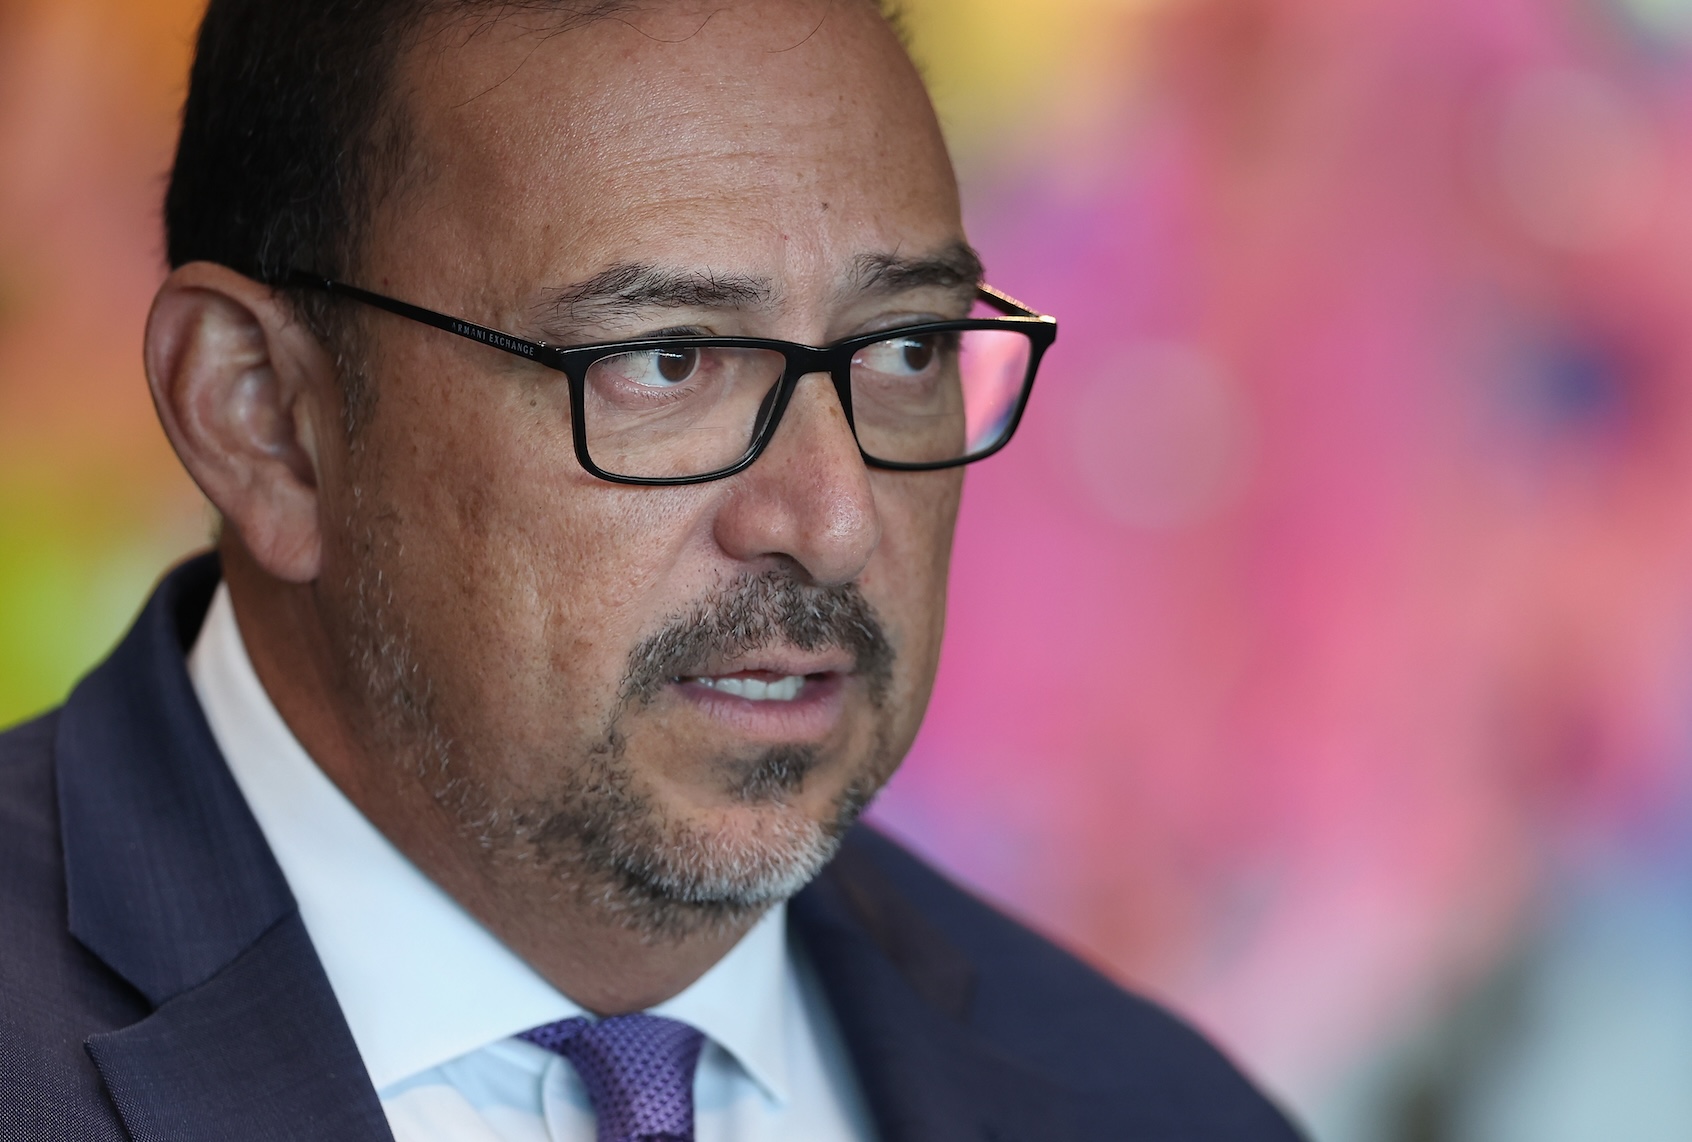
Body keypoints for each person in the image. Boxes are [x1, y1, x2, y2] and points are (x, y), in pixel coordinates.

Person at [0, 1, 1303, 1139]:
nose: (833, 517)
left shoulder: (1154, 1106)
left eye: (904, 348)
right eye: (667, 361)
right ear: (262, 417)